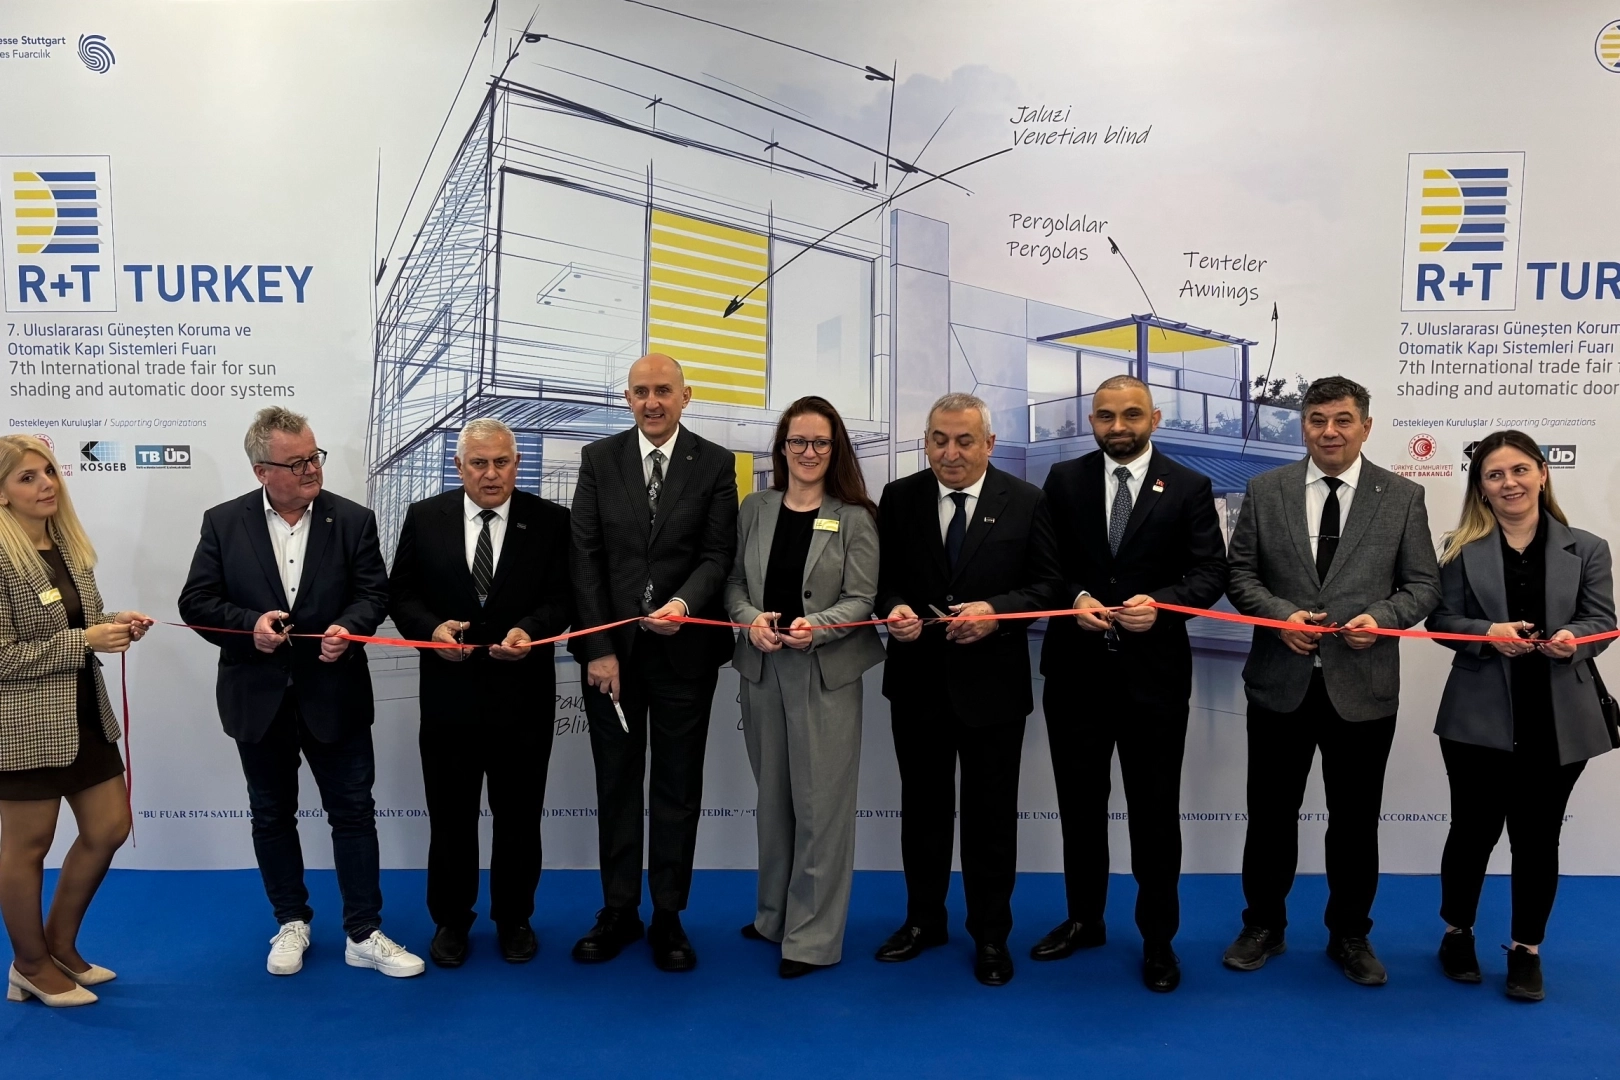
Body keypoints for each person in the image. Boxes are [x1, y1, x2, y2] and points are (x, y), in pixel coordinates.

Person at [178, 407, 423, 978]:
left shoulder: (354, 520)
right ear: (262, 471)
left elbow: (374, 594)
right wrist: (251, 626)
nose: (312, 469)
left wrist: (348, 629)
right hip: (256, 698)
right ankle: (291, 921)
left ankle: (364, 932)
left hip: (335, 694)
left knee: (354, 813)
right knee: (271, 815)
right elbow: (197, 601)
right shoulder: (223, 522)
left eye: (315, 457)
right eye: (297, 462)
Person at [1223, 375, 1440, 986]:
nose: (1330, 431)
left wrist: (1385, 618)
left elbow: (1423, 584)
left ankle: (1350, 934)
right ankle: (1263, 925)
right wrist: (1279, 617)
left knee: (1355, 821)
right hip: (1279, 682)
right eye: (1317, 420)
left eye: (1343, 420)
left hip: (1363, 688)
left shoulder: (1402, 496)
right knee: (1270, 816)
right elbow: (1240, 575)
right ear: (1303, 427)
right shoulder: (1266, 490)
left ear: (1366, 426)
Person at [1037, 376, 1229, 992]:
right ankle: (1084, 920)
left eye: (1130, 415)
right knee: (1079, 809)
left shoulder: (1190, 485)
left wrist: (1164, 605)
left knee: (1154, 814)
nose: (1117, 426)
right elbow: (1045, 564)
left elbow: (1210, 572)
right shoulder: (1064, 480)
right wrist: (1075, 597)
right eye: (1105, 416)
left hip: (1155, 679)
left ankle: (1158, 939)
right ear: (1091, 420)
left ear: (1155, 417)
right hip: (1075, 675)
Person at [873, 392, 1064, 987]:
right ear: (926, 441)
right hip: (917, 685)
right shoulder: (898, 497)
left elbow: (1048, 586)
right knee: (922, 814)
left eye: (964, 441)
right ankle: (923, 922)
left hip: (993, 692)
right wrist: (894, 610)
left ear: (989, 443)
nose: (950, 453)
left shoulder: (1027, 500)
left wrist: (996, 613)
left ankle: (991, 934)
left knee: (991, 820)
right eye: (939, 440)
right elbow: (881, 582)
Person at [1425, 430, 1615, 1002]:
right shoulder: (1458, 549)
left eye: (1519, 470)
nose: (1509, 483)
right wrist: (1488, 632)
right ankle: (1457, 933)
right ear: (1481, 488)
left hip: (1558, 721)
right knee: (1472, 833)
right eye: (1494, 475)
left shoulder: (1588, 548)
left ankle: (1526, 948)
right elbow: (1440, 621)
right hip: (1477, 719)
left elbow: (1601, 622)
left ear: (1542, 473)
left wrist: (1572, 640)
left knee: (1537, 841)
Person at [569, 353, 738, 972]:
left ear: (685, 396)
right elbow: (584, 558)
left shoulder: (715, 463)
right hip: (612, 661)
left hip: (682, 655)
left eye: (664, 390)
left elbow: (718, 554)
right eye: (641, 391)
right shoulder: (599, 459)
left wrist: (683, 604)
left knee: (676, 789)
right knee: (615, 786)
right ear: (628, 398)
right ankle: (618, 911)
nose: (652, 402)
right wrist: (599, 649)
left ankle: (668, 915)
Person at [388, 418, 572, 968]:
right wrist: (432, 631)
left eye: (501, 462)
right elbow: (402, 595)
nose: (491, 474)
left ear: (517, 463)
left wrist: (531, 631)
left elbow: (565, 598)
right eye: (479, 463)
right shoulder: (425, 517)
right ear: (459, 466)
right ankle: (451, 919)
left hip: (524, 697)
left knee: (520, 816)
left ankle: (514, 918)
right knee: (450, 816)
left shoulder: (551, 521)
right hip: (449, 698)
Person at [724, 396, 885, 979]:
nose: (808, 452)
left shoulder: (855, 517)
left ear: (835, 449)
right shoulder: (756, 507)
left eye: (820, 442)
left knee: (820, 809)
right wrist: (751, 621)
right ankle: (774, 916)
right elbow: (734, 584)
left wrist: (814, 627)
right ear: (782, 447)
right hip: (762, 669)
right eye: (798, 441)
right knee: (773, 803)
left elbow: (862, 599)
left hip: (824, 674)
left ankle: (813, 938)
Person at [0, 436, 152, 1007]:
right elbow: (2, 656)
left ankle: (59, 946)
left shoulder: (66, 542)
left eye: (48, 472)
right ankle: (29, 965)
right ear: (1, 494)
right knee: (28, 846)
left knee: (109, 827)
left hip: (84, 715)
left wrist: (115, 623)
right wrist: (86, 640)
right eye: (27, 477)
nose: (47, 484)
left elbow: (74, 622)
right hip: (22, 726)